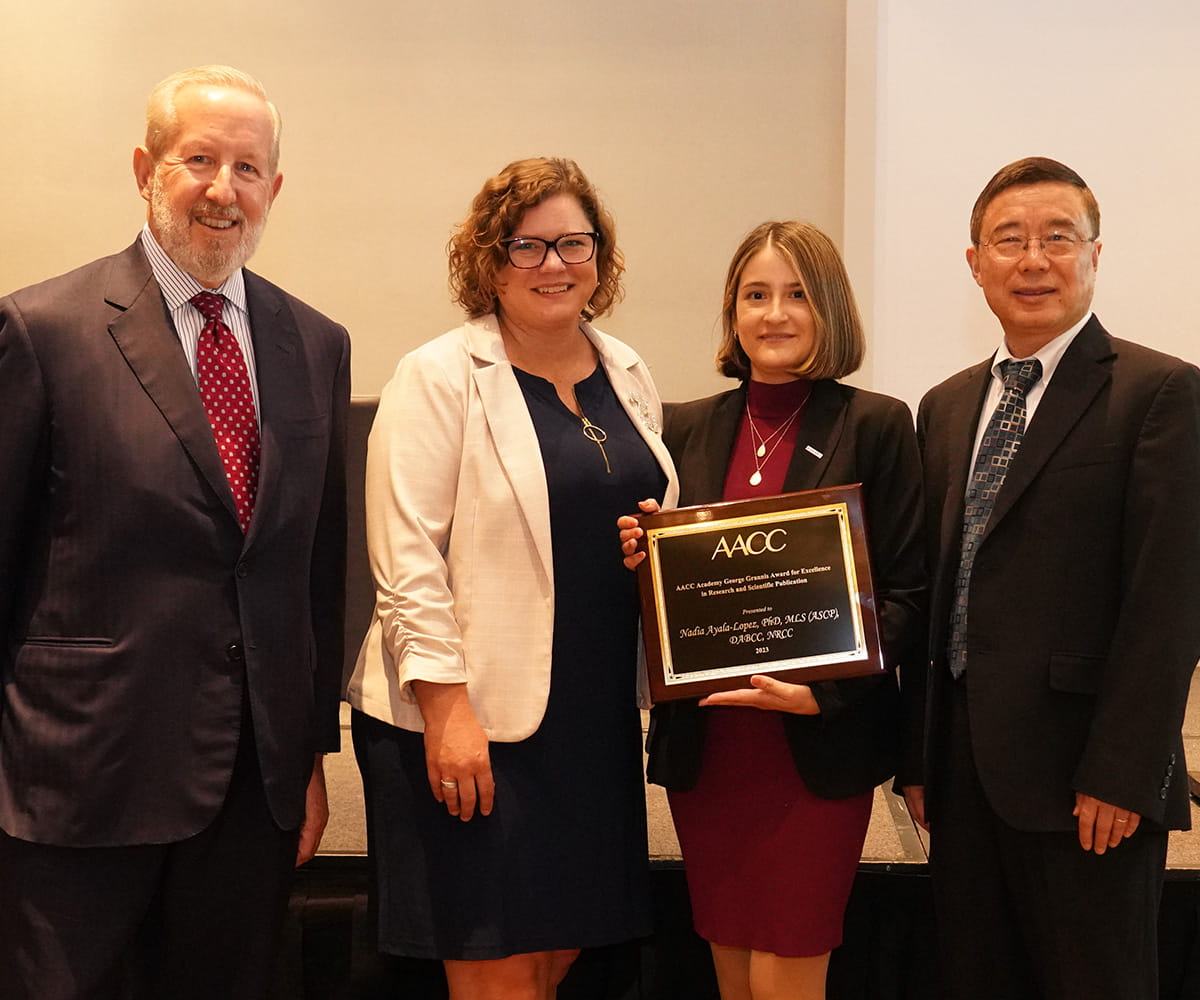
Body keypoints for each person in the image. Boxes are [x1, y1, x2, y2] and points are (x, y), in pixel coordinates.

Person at [0, 66, 350, 1000]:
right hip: (81, 775)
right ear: (145, 168)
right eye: (199, 159)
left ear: (274, 189)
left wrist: (310, 756)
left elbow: (315, 574)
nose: (222, 189)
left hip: (253, 789)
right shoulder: (42, 329)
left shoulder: (316, 343)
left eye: (248, 167)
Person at [346, 156, 679, 1000]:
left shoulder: (628, 373)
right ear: (488, 261)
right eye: (526, 247)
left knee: (559, 957)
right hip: (473, 722)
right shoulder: (437, 376)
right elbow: (405, 559)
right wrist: (449, 711)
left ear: (601, 257)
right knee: (494, 969)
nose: (554, 265)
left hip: (590, 719)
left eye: (574, 243)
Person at [898, 156, 1200, 999]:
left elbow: (1169, 603)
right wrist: (922, 758)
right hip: (962, 779)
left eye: (1057, 238)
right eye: (1009, 240)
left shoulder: (1160, 392)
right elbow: (943, 584)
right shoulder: (947, 404)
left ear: (1095, 256)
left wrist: (1122, 771)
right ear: (975, 264)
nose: (1033, 259)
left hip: (1088, 785)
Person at [619, 221, 924, 1000]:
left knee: (791, 958)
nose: (774, 313)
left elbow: (907, 596)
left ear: (829, 311)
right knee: (729, 953)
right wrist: (642, 560)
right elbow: (674, 601)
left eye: (796, 295)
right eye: (756, 295)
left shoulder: (877, 423)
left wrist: (821, 693)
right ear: (733, 311)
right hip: (711, 749)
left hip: (814, 751)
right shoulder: (681, 427)